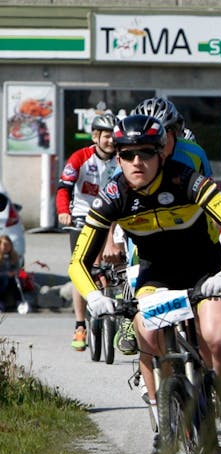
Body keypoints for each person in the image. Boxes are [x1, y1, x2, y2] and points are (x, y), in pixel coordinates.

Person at [67, 114, 221, 454]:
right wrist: (93, 296)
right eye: (127, 155)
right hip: (157, 276)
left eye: (146, 154)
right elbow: (78, 261)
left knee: (215, 338)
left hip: (206, 270)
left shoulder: (187, 180)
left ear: (161, 155)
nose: (137, 162)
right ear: (118, 158)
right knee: (147, 335)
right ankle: (163, 422)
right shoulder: (114, 196)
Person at [56, 111, 118, 351]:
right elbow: (64, 187)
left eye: (114, 136)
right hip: (83, 217)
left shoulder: (122, 158)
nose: (111, 141)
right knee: (81, 268)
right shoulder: (80, 157)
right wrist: (64, 211)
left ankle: (120, 323)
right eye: (106, 136)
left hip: (112, 219)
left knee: (115, 268)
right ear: (95, 136)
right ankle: (80, 325)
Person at [132, 97, 211, 177]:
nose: (155, 144)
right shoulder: (129, 157)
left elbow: (208, 186)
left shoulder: (195, 153)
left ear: (174, 131)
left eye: (161, 135)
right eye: (146, 139)